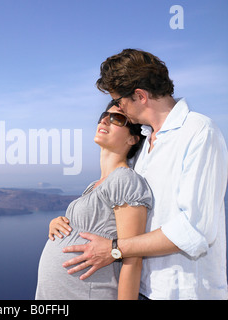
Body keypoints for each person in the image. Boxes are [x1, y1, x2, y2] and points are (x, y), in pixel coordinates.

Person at [62, 49, 228, 300]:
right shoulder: (146, 145)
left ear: (139, 96)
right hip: (144, 290)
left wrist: (115, 250)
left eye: (119, 100)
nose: (117, 107)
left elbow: (195, 229)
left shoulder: (198, 132)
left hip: (184, 293)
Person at [35, 101, 153, 300]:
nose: (105, 120)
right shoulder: (94, 185)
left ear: (133, 138)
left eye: (117, 118)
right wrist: (59, 224)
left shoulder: (125, 179)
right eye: (103, 116)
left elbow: (133, 260)